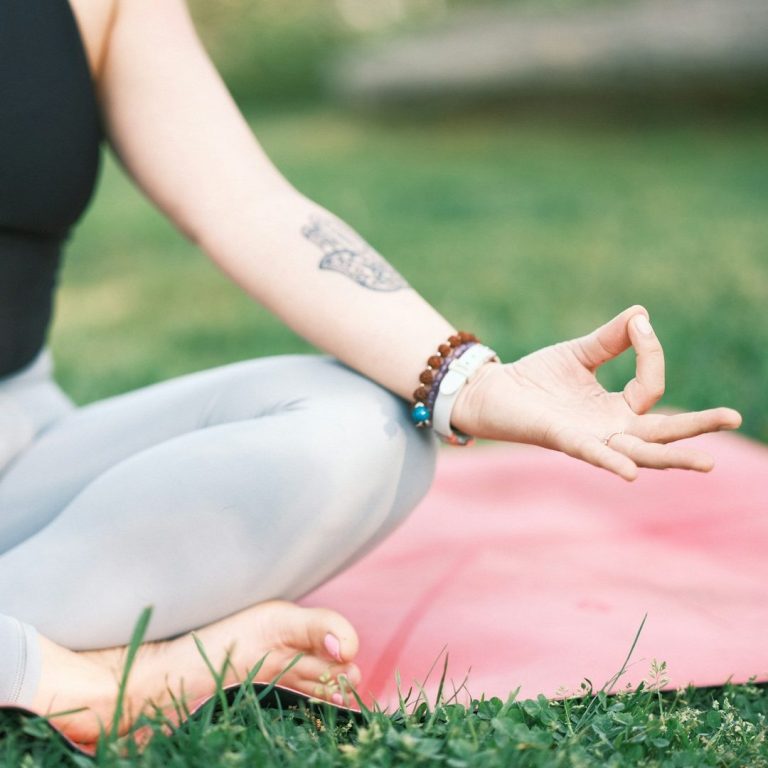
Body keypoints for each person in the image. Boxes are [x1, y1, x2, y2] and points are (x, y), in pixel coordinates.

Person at [0, 0, 741, 744]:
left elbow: (242, 200)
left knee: (371, 426)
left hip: (24, 436)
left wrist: (470, 381)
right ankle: (79, 681)